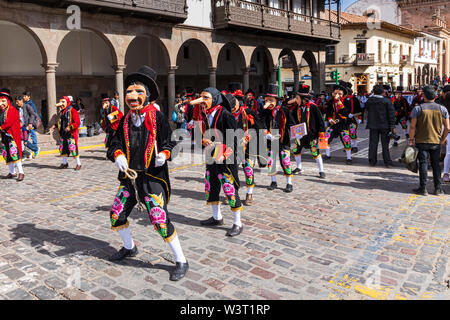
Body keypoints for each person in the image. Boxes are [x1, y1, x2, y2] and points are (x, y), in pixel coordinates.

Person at [107, 65, 188, 281]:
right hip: (130, 178)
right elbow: (114, 142)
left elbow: (171, 141)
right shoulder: (125, 120)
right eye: (129, 92)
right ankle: (129, 247)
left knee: (159, 219)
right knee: (116, 213)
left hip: (152, 178)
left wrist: (165, 152)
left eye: (138, 92)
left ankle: (181, 260)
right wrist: (117, 154)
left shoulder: (157, 118)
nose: (132, 96)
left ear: (147, 96)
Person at [190, 87, 244, 237]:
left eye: (205, 98)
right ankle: (217, 217)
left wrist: (225, 153)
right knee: (211, 187)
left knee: (229, 188)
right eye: (201, 98)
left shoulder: (226, 115)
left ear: (214, 99)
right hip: (211, 157)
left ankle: (238, 223)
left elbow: (234, 138)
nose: (202, 101)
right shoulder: (205, 115)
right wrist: (203, 140)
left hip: (226, 158)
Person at [409, 86, 450, 195]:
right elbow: (448, 127)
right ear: (436, 96)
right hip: (436, 140)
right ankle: (438, 188)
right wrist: (443, 138)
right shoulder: (442, 109)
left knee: (423, 163)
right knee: (436, 164)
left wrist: (411, 140)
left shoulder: (418, 108)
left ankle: (423, 188)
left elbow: (412, 126)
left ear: (423, 96)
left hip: (421, 140)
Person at [227, 83, 261, 206]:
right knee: (232, 170)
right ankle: (234, 193)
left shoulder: (248, 112)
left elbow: (259, 128)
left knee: (248, 169)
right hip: (233, 147)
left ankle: (249, 193)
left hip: (248, 147)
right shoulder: (227, 114)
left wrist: (248, 137)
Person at [262, 84, 296, 192]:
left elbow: (292, 124)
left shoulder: (284, 110)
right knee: (271, 162)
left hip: (283, 140)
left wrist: (296, 133)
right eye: (266, 100)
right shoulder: (265, 112)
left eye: (271, 100)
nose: (268, 103)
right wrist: (266, 133)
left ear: (276, 100)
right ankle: (273, 181)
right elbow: (260, 123)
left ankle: (289, 183)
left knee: (285, 162)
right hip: (270, 141)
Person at [290, 85, 326, 178]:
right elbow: (292, 118)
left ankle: (321, 170)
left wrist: (321, 133)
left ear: (303, 99)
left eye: (297, 98)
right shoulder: (297, 108)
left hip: (312, 134)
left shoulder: (313, 107)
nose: (296, 100)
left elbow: (320, 121)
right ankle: (299, 167)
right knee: (296, 150)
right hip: (300, 134)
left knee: (315, 151)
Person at [365, 85, 396, 167]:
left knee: (373, 143)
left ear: (373, 92)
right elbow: (391, 114)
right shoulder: (387, 101)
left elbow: (366, 108)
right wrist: (393, 126)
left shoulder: (369, 101)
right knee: (385, 144)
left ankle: (372, 161)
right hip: (385, 125)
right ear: (383, 92)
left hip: (373, 125)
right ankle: (387, 162)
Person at [324, 83, 353, 164]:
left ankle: (349, 158)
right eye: (335, 93)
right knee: (327, 137)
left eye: (339, 93)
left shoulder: (347, 101)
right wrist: (330, 120)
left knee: (346, 139)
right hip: (333, 124)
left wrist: (339, 102)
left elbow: (346, 113)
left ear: (343, 94)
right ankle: (327, 154)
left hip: (343, 124)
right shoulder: (330, 102)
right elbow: (328, 113)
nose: (337, 95)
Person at [50, 96, 82, 170]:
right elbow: (61, 122)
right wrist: (55, 126)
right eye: (61, 102)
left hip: (70, 133)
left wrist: (70, 127)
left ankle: (78, 163)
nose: (61, 104)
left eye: (63, 102)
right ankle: (65, 163)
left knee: (73, 148)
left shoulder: (72, 110)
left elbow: (77, 122)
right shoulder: (61, 112)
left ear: (67, 102)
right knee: (63, 148)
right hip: (63, 133)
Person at [0, 89, 25, 181]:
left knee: (15, 154)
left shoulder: (12, 110)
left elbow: (8, 122)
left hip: (12, 136)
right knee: (7, 154)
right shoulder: (1, 111)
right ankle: (12, 172)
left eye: (3, 101)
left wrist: (0, 128)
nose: (1, 103)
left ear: (8, 101)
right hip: (4, 136)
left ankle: (21, 172)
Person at [23, 91, 40, 156]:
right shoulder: (26, 103)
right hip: (27, 123)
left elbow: (33, 114)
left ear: (29, 96)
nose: (24, 97)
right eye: (23, 96)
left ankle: (36, 149)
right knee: (26, 137)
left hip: (31, 123)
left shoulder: (30, 103)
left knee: (33, 135)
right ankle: (33, 149)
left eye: (25, 96)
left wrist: (31, 123)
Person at [441, 85, 450, 183]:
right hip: (448, 132)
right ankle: (446, 173)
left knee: (448, 153)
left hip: (448, 132)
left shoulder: (444, 108)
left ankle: (446, 173)